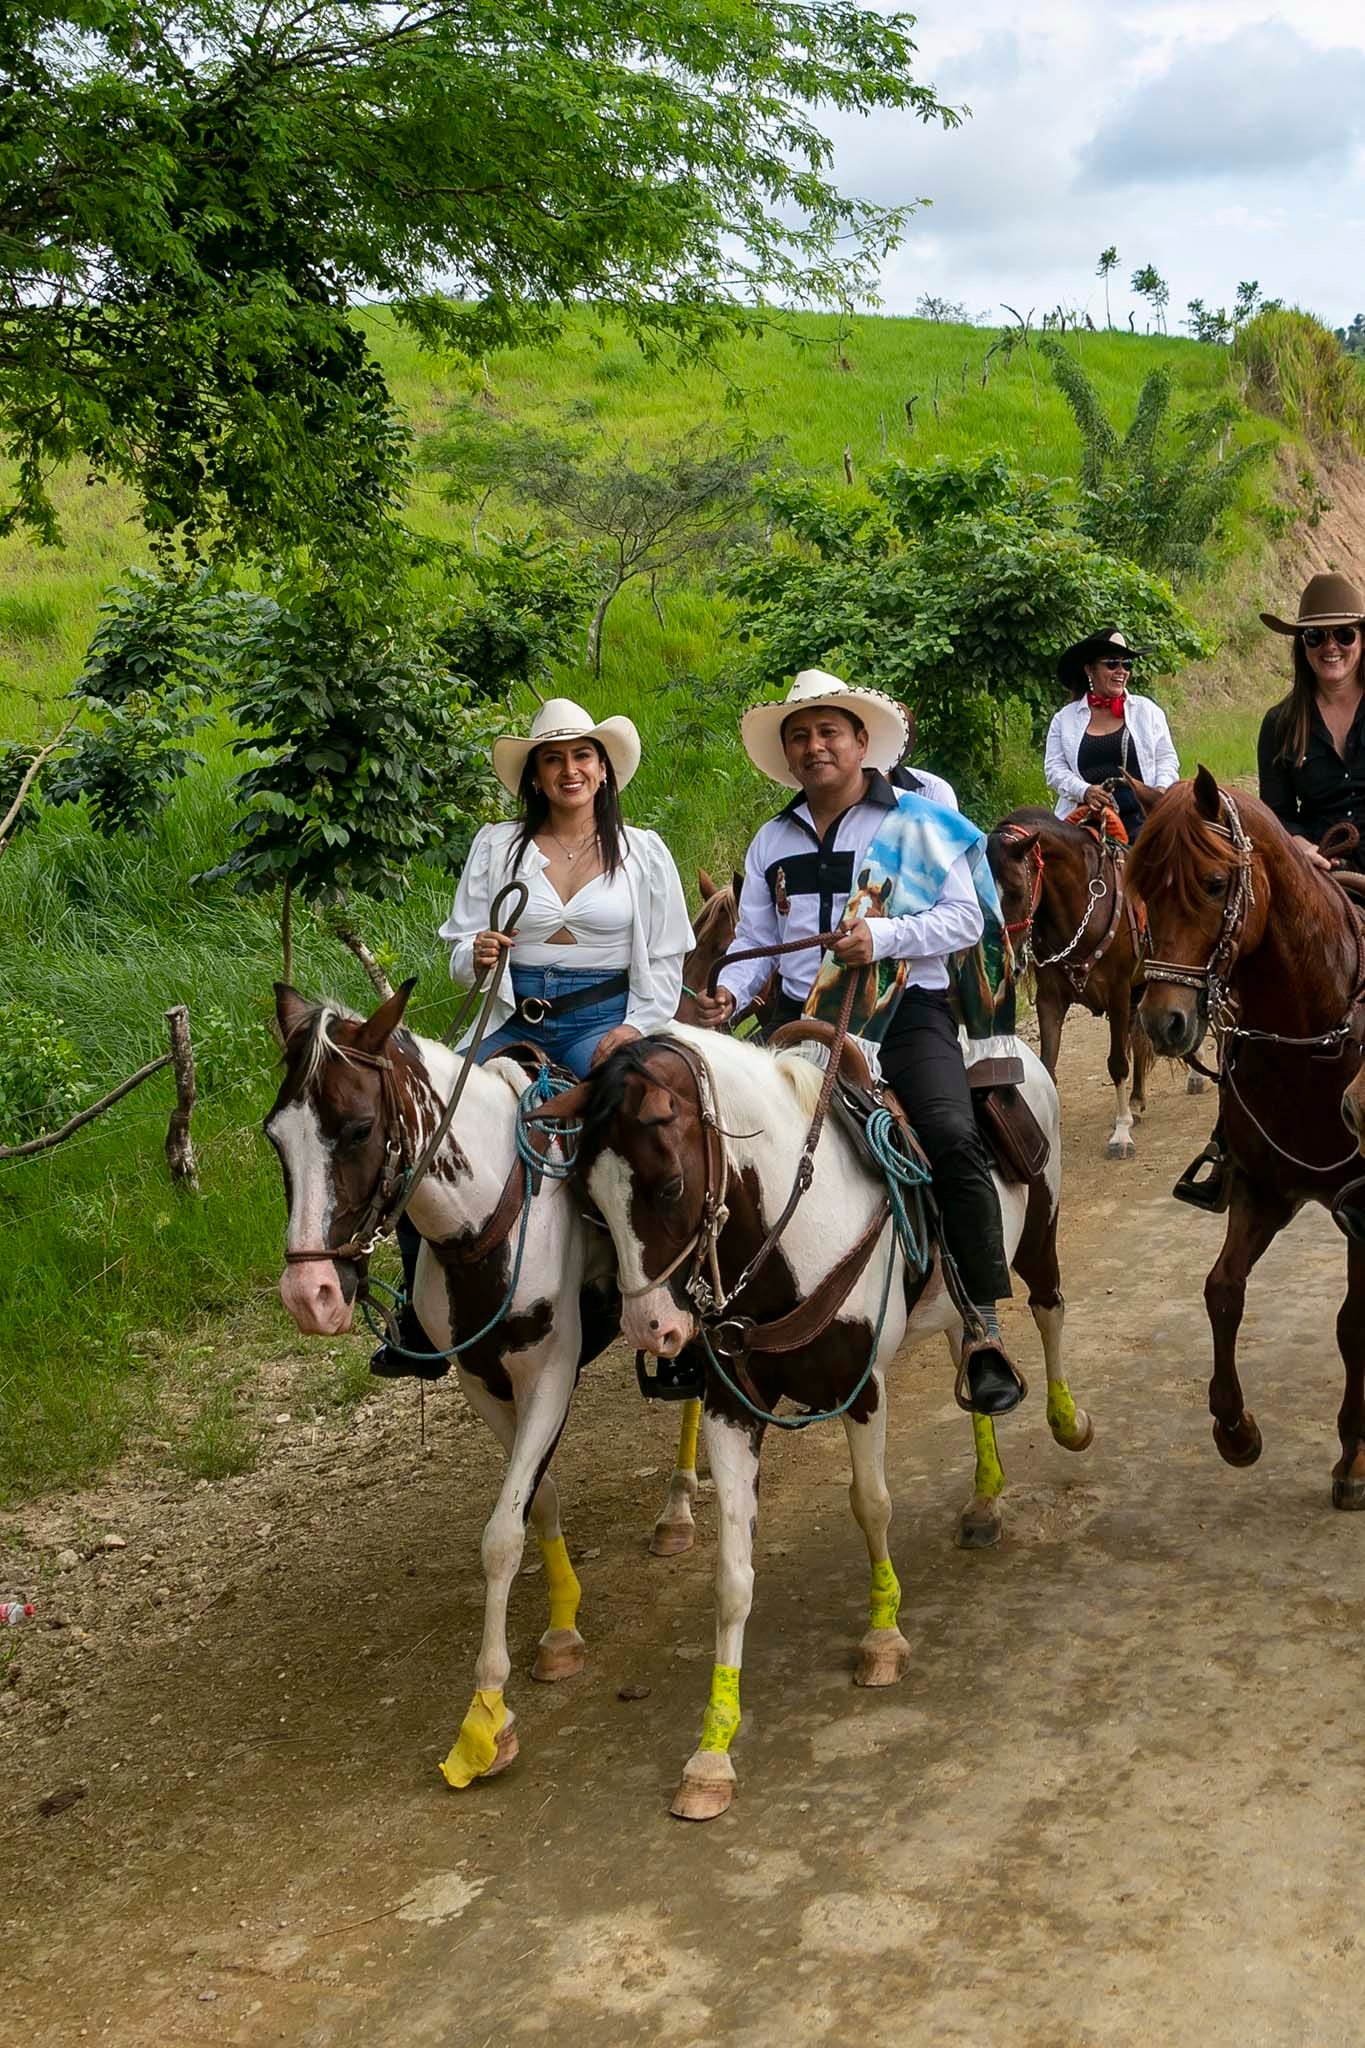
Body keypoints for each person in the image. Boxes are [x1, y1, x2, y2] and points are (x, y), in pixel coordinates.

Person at [694, 668, 1024, 1416]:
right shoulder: (771, 839)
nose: (814, 747)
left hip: (905, 1012)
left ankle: (982, 1324)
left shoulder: (920, 822)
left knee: (950, 1134)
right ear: (786, 754)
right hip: (796, 1021)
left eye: (828, 732)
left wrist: (884, 936)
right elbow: (754, 941)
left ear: (860, 742)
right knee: (722, 1146)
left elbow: (966, 920)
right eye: (799, 737)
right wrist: (730, 995)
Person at [372, 697, 692, 1378]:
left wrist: (634, 1027)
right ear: (536, 777)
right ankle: (417, 1317)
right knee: (425, 1125)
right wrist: (477, 953)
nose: (569, 770)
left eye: (582, 757)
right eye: (553, 760)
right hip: (510, 1017)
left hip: (604, 1019)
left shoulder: (643, 851)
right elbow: (461, 951)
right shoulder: (497, 846)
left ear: (603, 770)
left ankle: (673, 1301)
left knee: (649, 1132)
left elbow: (666, 959)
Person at [1257, 572, 1365, 872]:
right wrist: (1303, 849)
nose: (1330, 646)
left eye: (1344, 634)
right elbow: (1276, 814)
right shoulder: (1280, 724)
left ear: (1362, 639)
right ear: (1302, 645)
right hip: (1321, 871)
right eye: (1316, 636)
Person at [1044, 627, 1179, 841]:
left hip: (1140, 815)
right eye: (1112, 664)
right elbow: (1054, 769)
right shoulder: (1064, 719)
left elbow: (1166, 759)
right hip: (1086, 815)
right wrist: (1085, 791)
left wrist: (1159, 792)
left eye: (1127, 664)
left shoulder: (1147, 711)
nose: (1121, 671)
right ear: (1090, 670)